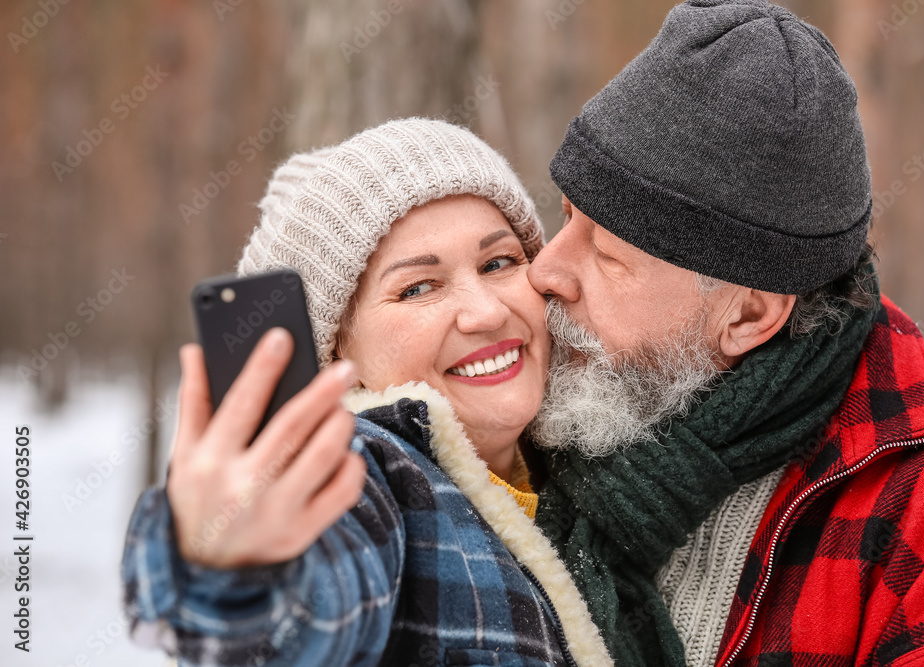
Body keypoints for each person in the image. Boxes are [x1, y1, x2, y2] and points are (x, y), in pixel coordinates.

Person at [524, 1, 924, 666]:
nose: (545, 270)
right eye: (565, 214)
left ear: (747, 315)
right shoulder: (529, 408)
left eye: (606, 256)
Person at [120, 118, 614, 666]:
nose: (487, 311)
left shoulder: (597, 443)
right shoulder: (367, 473)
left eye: (497, 263)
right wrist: (234, 572)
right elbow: (307, 616)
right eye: (418, 288)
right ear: (338, 355)